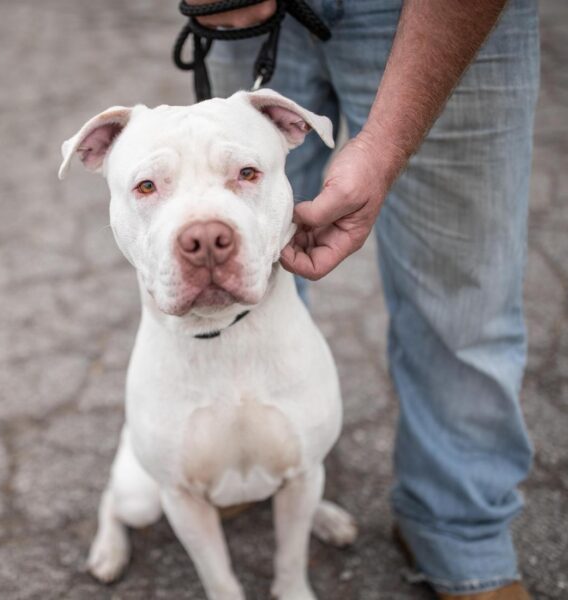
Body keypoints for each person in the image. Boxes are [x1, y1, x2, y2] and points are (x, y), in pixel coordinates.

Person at [188, 1, 539, 598]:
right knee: (235, 264)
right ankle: (241, 463)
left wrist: (383, 152)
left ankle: (460, 531)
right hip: (243, 7)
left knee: (463, 292)